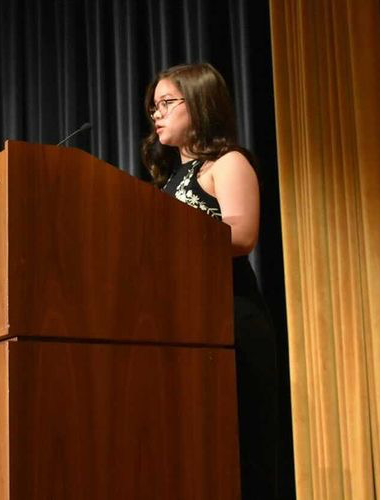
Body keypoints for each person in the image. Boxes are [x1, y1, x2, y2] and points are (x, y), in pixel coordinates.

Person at [141, 63, 279, 499]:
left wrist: (174, 242)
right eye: (154, 107)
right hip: (187, 327)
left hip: (231, 321)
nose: (157, 115)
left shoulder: (227, 163)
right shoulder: (171, 178)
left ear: (199, 104)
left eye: (167, 103)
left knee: (242, 450)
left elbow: (242, 234)